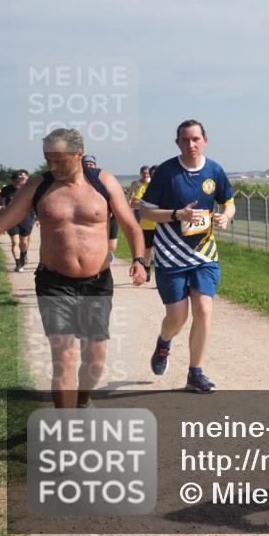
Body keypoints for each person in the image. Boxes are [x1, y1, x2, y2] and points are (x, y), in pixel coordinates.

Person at [0, 129, 147, 408]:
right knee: (63, 358)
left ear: (78, 155)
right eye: (48, 160)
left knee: (95, 359)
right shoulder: (38, 186)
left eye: (59, 161)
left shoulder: (103, 182)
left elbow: (131, 226)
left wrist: (139, 260)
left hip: (96, 283)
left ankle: (83, 401)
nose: (53, 167)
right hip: (53, 283)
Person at [139, 119, 235, 394]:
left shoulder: (214, 170)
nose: (191, 144)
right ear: (177, 143)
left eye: (196, 139)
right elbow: (145, 211)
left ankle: (195, 373)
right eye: (185, 140)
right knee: (177, 318)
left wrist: (226, 216)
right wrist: (176, 214)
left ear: (205, 140)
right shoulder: (166, 173)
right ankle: (164, 343)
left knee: (204, 311)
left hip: (205, 254)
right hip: (170, 256)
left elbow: (228, 201)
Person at [82, 155, 122, 259]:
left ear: (95, 166)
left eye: (91, 164)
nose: (88, 166)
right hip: (90, 218)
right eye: (86, 164)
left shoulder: (103, 180)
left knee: (112, 245)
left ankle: (107, 255)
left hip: (110, 215)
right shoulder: (78, 183)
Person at [0, 170, 35, 272]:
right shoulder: (6, 190)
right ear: (12, 180)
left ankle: (23, 254)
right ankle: (18, 264)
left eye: (19, 181)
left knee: (24, 242)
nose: (17, 183)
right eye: (15, 181)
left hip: (26, 218)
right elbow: (0, 199)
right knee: (15, 242)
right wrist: (0, 205)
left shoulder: (27, 189)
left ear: (22, 180)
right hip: (11, 219)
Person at [128, 165, 155, 278]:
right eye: (144, 173)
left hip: (158, 221)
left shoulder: (157, 185)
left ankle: (157, 272)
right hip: (142, 218)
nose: (146, 175)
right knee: (147, 249)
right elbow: (132, 201)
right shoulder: (137, 184)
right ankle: (147, 267)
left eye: (148, 174)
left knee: (158, 250)